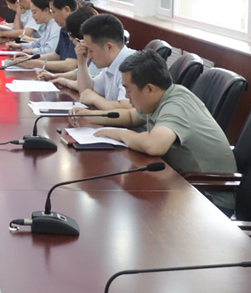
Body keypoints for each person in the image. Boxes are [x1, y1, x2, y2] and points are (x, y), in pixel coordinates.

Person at [93, 50, 236, 213]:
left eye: (128, 90)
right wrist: (89, 116)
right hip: (184, 186)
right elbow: (131, 117)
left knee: (126, 209)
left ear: (149, 89)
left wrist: (120, 134)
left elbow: (154, 145)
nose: (126, 95)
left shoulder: (176, 104)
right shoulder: (160, 98)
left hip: (210, 199)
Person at [74, 14, 135, 111]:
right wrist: (82, 62)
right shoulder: (111, 64)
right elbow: (86, 92)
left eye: (91, 50)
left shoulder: (131, 65)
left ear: (109, 47)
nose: (89, 55)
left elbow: (126, 108)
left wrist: (95, 99)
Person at [11, 0, 78, 71]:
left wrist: (36, 63)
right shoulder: (64, 27)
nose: (52, 16)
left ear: (66, 10)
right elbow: (57, 55)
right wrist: (30, 58)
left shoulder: (77, 29)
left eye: (53, 12)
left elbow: (70, 65)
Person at [36, 5, 100, 88]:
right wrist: (54, 76)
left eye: (71, 35)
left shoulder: (98, 53)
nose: (70, 38)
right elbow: (78, 73)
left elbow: (88, 86)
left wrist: (64, 81)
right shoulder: (90, 50)